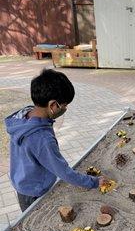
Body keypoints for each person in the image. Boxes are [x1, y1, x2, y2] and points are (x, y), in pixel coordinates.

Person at [5, 69, 106, 212]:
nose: (65, 108)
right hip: (35, 191)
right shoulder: (42, 138)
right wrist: (94, 182)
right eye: (64, 105)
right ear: (53, 105)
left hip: (23, 182)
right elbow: (64, 172)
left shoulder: (24, 116)